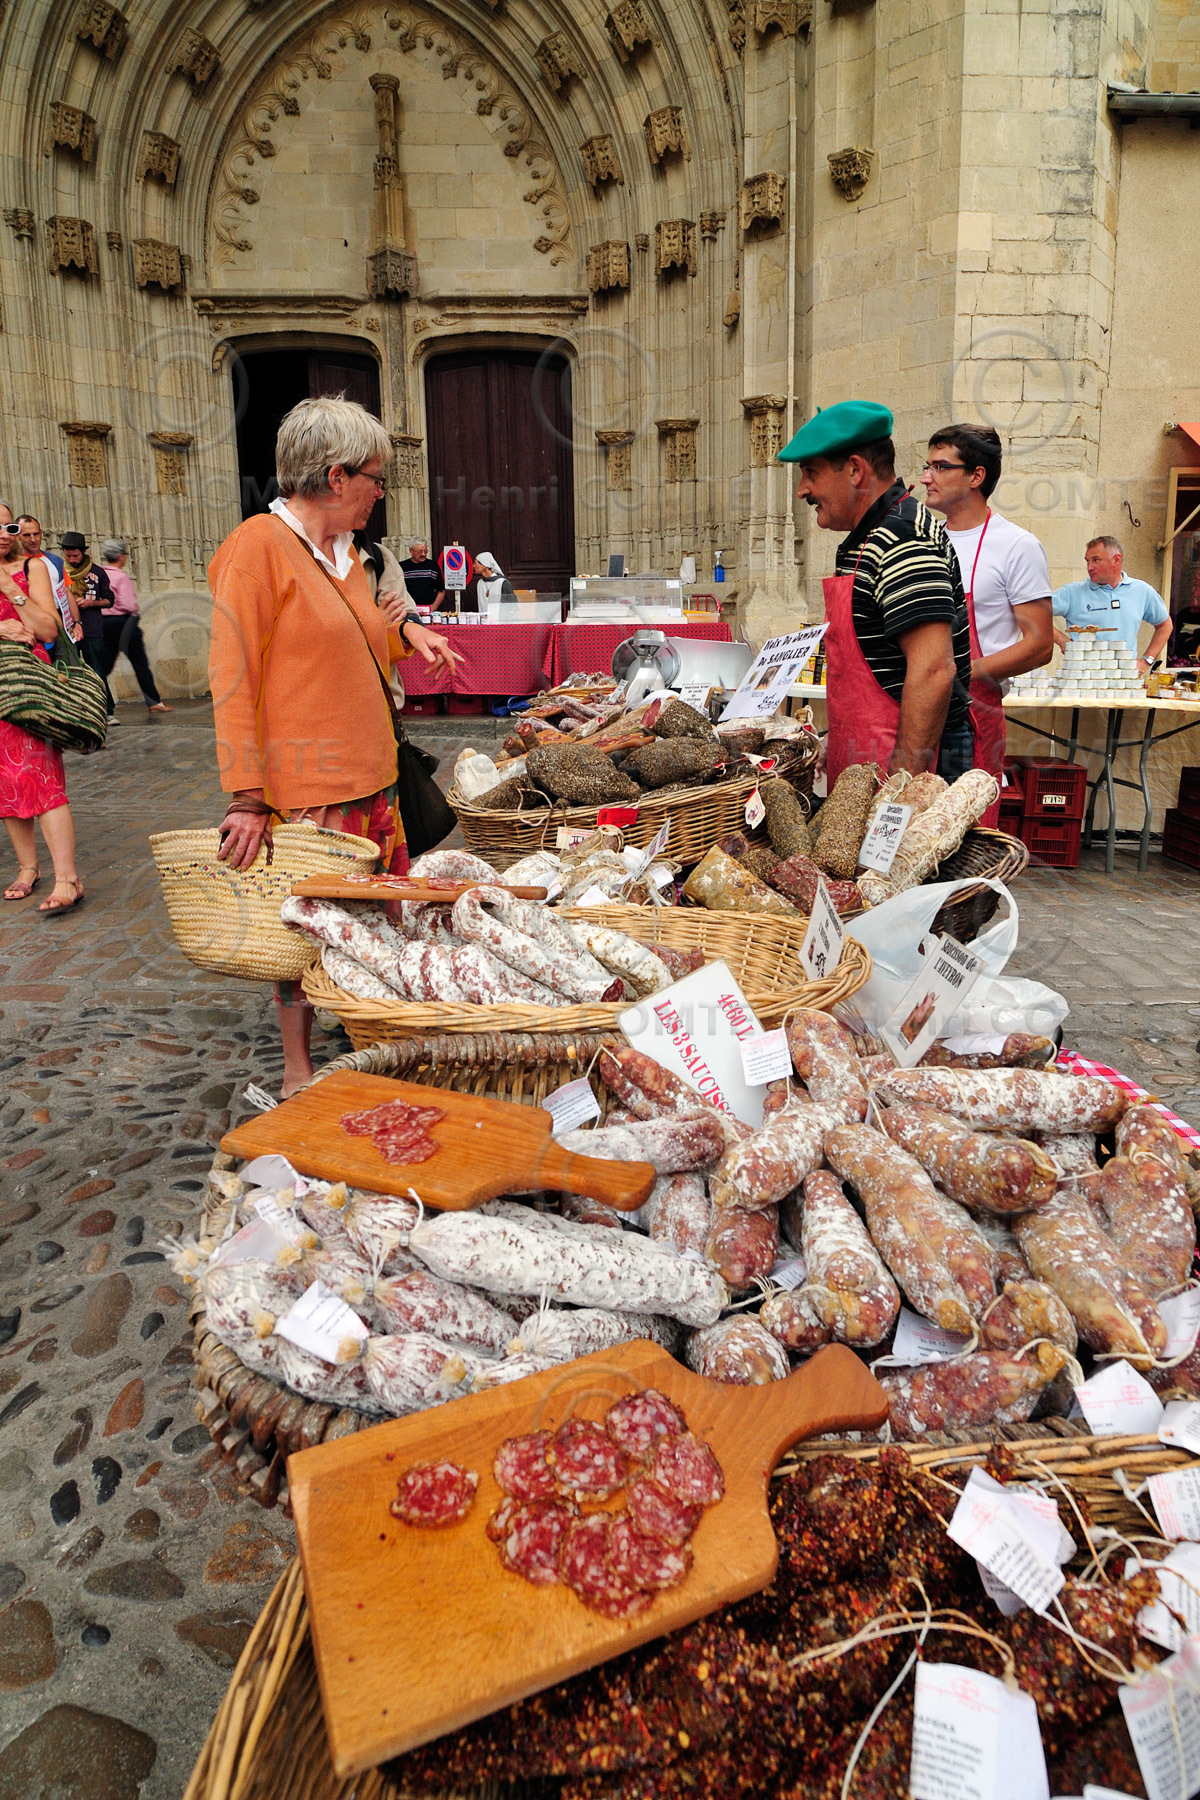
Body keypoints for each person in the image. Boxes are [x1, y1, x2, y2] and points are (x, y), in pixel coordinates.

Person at [209, 395, 458, 1096]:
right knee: (304, 937)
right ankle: (297, 1067)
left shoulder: (350, 560)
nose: (381, 495)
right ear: (338, 475)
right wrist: (248, 796)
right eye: (378, 479)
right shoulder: (257, 548)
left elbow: (355, 650)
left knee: (374, 924)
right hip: (309, 789)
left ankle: (370, 1034)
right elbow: (233, 676)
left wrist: (411, 640)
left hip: (375, 777)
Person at [778, 400, 974, 782]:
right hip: (872, 751)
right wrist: (842, 736)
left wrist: (900, 789)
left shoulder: (902, 536)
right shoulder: (866, 537)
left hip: (915, 763)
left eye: (810, 473)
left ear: (855, 471)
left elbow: (933, 670)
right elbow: (881, 662)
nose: (803, 490)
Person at [920, 423, 1053, 822]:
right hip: (919, 710)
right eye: (926, 466)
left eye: (940, 467)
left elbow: (1040, 644)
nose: (926, 477)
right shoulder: (923, 540)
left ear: (976, 476)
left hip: (972, 718)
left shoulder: (1016, 545)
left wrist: (957, 671)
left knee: (961, 836)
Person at [0, 502, 83, 911]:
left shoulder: (31, 568)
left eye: (8, 526)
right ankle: (28, 867)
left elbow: (48, 629)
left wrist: (7, 585)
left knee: (43, 776)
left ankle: (68, 877)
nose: (3, 533)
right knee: (5, 782)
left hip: (30, 687)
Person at [1052, 536, 1171, 673]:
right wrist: (1062, 641)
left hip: (1123, 683)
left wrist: (1146, 660)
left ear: (1116, 559)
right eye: (1087, 561)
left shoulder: (1142, 590)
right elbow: (1031, 613)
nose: (1089, 567)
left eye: (1096, 560)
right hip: (1081, 682)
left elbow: (1165, 625)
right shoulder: (1071, 593)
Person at [96, 539, 172, 714]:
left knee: (104, 666)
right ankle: (154, 702)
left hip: (105, 623)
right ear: (120, 556)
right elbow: (129, 604)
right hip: (125, 623)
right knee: (140, 664)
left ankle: (93, 698)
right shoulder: (121, 576)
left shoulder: (100, 573)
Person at [61, 533, 116, 717]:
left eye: (75, 555)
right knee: (72, 670)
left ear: (83, 552)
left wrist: (91, 603)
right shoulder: (60, 571)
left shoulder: (98, 572)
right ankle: (78, 709)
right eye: (68, 556)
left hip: (93, 628)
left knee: (96, 670)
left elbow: (110, 600)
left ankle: (107, 709)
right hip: (68, 629)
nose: (72, 559)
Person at [17, 515, 74, 637]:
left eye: (36, 534)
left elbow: (66, 593)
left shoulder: (55, 561)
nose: (33, 539)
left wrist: (77, 623)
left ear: (41, 533)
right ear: (17, 536)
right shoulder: (13, 564)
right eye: (27, 535)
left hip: (60, 620)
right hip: (31, 623)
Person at [399, 537, 443, 611]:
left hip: (428, 609)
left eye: (425, 551)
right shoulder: (402, 567)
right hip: (408, 609)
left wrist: (434, 607)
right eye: (419, 551)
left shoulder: (433, 566)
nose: (423, 554)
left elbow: (441, 591)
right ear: (411, 551)